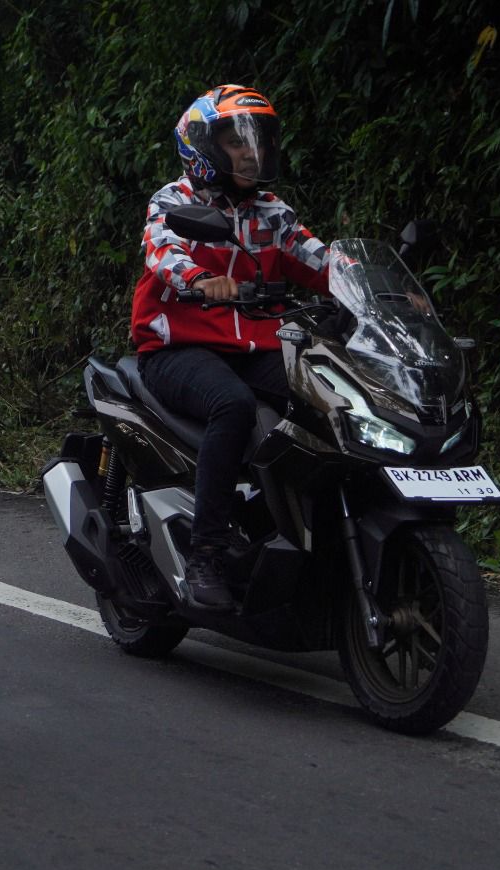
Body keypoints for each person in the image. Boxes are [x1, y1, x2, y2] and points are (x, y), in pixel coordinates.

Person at [132, 84, 333, 611]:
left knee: (323, 399)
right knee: (235, 407)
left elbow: (320, 261)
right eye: (235, 140)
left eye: (258, 140)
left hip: (256, 347)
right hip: (177, 348)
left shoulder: (273, 212)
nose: (251, 151)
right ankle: (207, 555)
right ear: (201, 147)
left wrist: (379, 290)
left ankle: (290, 530)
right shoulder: (173, 202)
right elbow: (162, 251)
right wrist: (200, 280)